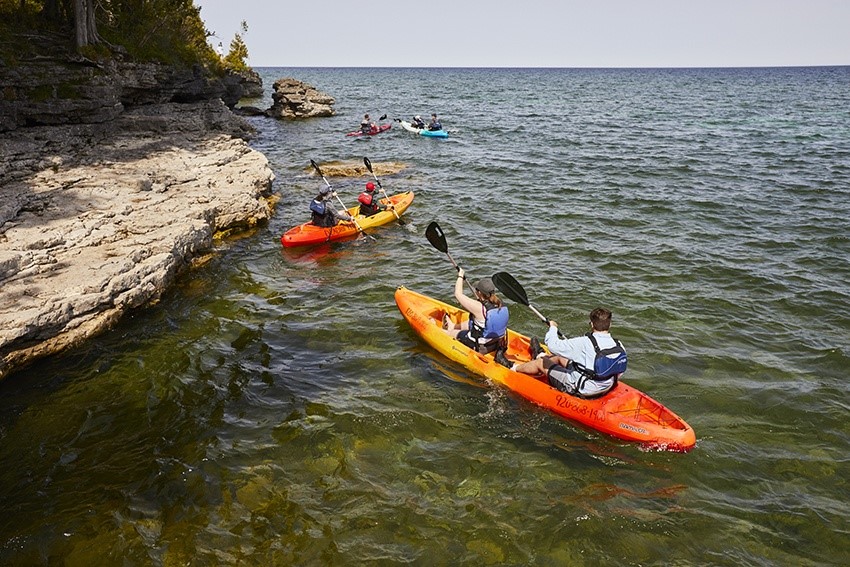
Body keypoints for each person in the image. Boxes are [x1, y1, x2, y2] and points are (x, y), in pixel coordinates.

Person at [511, 308, 627, 398]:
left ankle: (513, 368)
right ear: (609, 324)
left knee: (541, 363)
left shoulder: (583, 342)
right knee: (560, 356)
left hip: (583, 389)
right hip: (606, 386)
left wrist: (553, 327)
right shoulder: (618, 344)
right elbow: (619, 370)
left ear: (591, 324)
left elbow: (552, 345)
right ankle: (539, 355)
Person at [443, 269, 509, 354]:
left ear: (479, 293)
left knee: (451, 333)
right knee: (476, 322)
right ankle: (453, 326)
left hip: (480, 347)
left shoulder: (479, 307)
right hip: (496, 343)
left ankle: (450, 330)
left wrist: (460, 276)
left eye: (476, 289)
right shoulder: (500, 303)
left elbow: (458, 294)